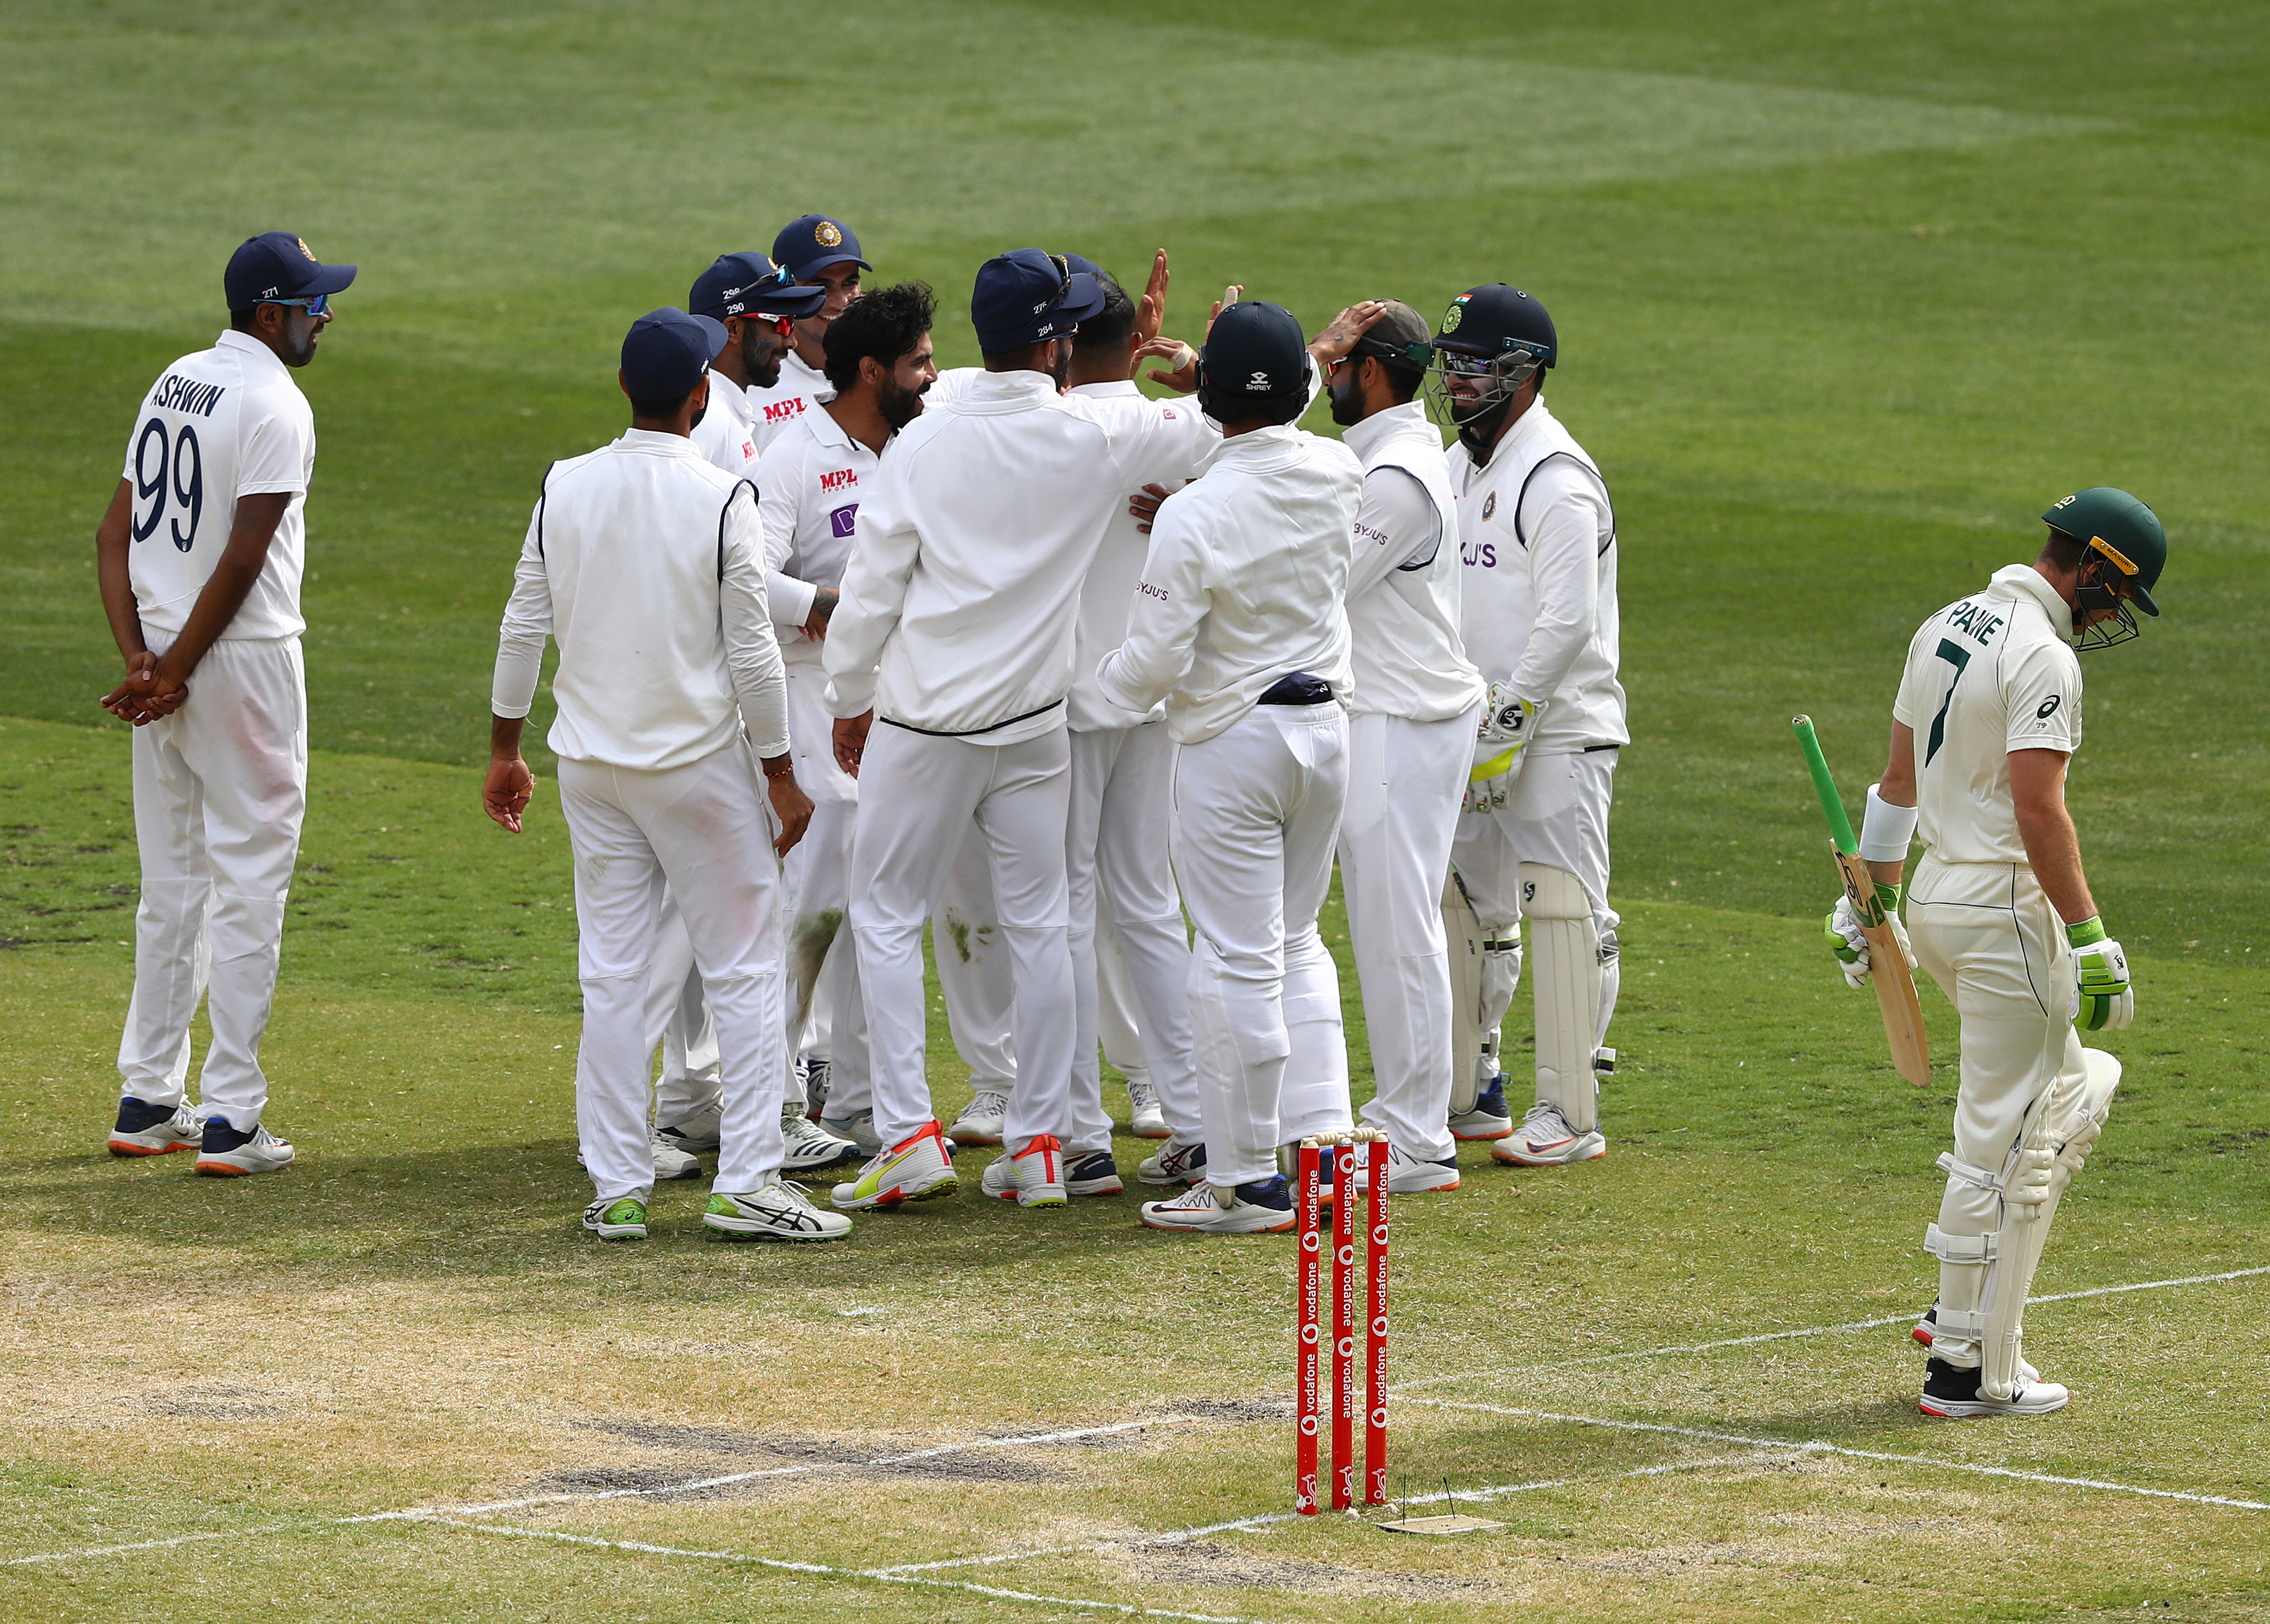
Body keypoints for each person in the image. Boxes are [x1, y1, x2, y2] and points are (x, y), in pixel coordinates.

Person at [484, 308, 842, 1244]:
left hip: (590, 770)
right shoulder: (722, 495)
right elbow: (754, 652)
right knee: (745, 967)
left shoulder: (564, 483)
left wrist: (503, 747)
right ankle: (750, 1179)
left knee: (611, 977)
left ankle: (616, 1186)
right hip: (696, 772)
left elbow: (524, 624)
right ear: (697, 394)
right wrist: (780, 774)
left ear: (623, 389)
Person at [1831, 488, 2164, 1418]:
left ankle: (1955, 1315)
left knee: (2064, 1094)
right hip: (2003, 910)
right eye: (2112, 595)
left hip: (1935, 892)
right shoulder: (2042, 654)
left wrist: (1871, 897)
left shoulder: (1947, 620)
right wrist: (2091, 935)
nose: (2107, 617)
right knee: (2008, 1137)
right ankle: (1970, 1369)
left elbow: (1896, 782)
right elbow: (2036, 809)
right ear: (2091, 566)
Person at [823, 248, 1143, 1213]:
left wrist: (846, 695)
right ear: (1053, 341)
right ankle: (1042, 1143)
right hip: (1035, 722)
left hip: (926, 720)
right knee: (1044, 922)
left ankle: (909, 1137)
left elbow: (873, 588)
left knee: (883, 913)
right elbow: (1220, 424)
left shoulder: (924, 441)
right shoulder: (1094, 436)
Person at [1100, 300, 1366, 1235]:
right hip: (1328, 734)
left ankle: (1247, 1181)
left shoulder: (1196, 509)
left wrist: (1078, 692)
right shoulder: (1339, 470)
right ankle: (1325, 1154)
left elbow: (1152, 664)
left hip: (1233, 743)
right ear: (1301, 387)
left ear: (1207, 394)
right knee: (1295, 942)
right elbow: (1271, 441)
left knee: (1234, 957)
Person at [98, 232, 355, 1176]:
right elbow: (245, 558)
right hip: (237, 661)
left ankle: (148, 1095)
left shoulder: (177, 378)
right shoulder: (275, 402)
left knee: (173, 885)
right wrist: (177, 669)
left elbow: (111, 534)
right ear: (269, 312)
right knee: (251, 882)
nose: (326, 316)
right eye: (312, 304)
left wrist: (142, 660)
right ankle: (234, 1115)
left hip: (163, 654)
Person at [622, 253, 842, 1182]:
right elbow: (735, 569)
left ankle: (685, 1103)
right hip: (704, 701)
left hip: (671, 698)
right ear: (728, 327)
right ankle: (708, 1110)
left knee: (692, 912)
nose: (789, 336)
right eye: (773, 322)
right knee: (711, 912)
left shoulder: (719, 413)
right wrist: (813, 608)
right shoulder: (710, 424)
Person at [1434, 284, 1628, 1167]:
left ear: (1523, 371)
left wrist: (1509, 721)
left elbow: (1567, 623)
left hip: (1556, 731)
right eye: (1453, 364)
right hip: (1472, 724)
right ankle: (1470, 1087)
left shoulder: (1555, 478)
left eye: (1476, 366)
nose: (1458, 380)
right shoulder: (1458, 463)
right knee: (1468, 904)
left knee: (1563, 910)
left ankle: (1570, 1107)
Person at [1317, 300, 1485, 1194]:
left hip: (1404, 716)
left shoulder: (1400, 476)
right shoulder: (1385, 454)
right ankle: (1408, 1118)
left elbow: (1318, 580)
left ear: (1369, 372)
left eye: (1338, 363)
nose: (1328, 379)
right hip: (1390, 711)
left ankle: (1416, 1132)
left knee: (1395, 921)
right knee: (1388, 918)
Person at [766, 213, 869, 424]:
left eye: (849, 285)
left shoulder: (884, 366)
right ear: (785, 291)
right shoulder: (758, 382)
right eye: (821, 288)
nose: (841, 303)